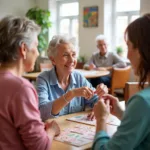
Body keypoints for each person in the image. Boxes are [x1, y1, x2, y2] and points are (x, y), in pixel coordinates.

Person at [0, 16, 60, 150]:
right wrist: (51, 130)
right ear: (23, 49)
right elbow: (40, 147)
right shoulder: (21, 88)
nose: (38, 53)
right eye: (36, 46)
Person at [92, 13, 150, 150]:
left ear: (143, 49)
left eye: (129, 46)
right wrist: (121, 113)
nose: (128, 55)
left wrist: (101, 119)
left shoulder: (142, 101)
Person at [36, 35, 108, 121]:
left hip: (74, 130)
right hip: (53, 131)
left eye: (73, 54)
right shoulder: (43, 79)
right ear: (53, 60)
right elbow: (43, 113)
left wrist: (100, 101)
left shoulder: (79, 77)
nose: (71, 60)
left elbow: (96, 100)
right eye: (65, 55)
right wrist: (71, 94)